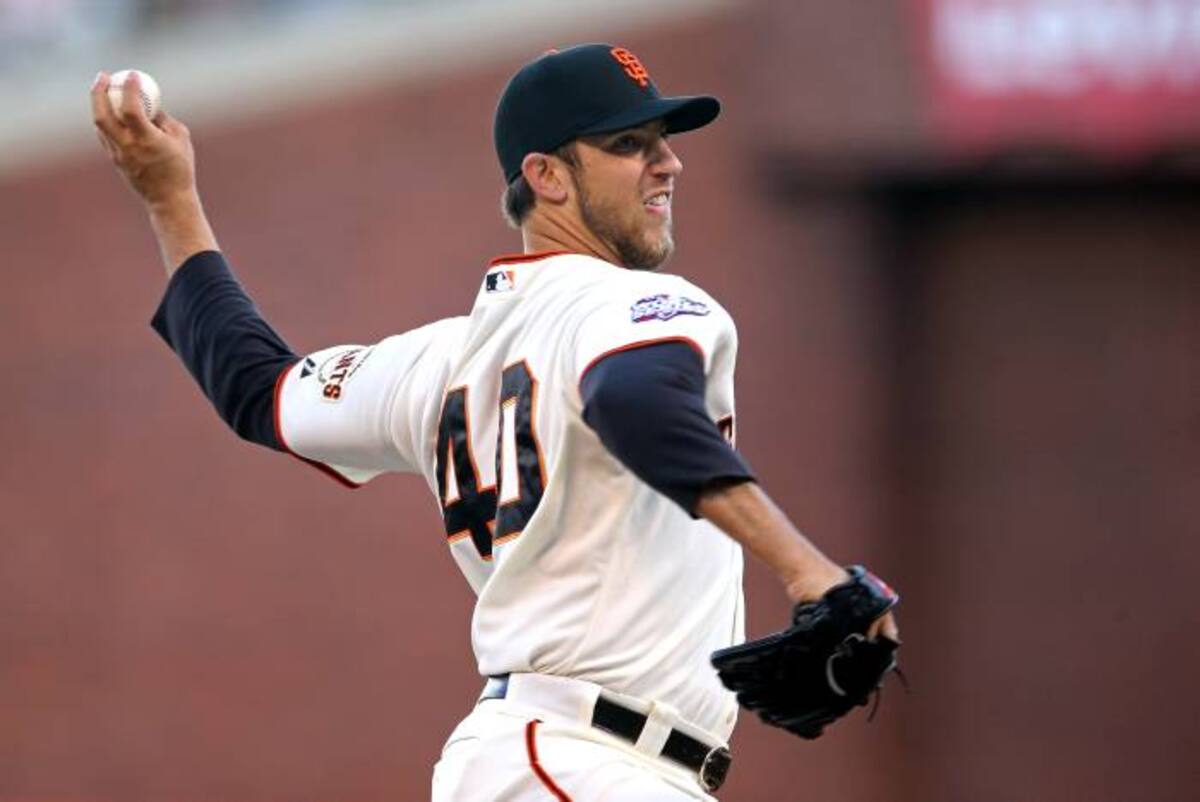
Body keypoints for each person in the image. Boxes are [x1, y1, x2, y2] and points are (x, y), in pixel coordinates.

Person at [91, 43, 898, 801]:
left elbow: (256, 387)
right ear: (545, 175)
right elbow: (630, 399)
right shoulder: (638, 305)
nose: (668, 161)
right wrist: (806, 568)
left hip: (562, 760)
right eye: (628, 143)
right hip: (584, 763)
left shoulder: (441, 360)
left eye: (664, 139)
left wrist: (172, 201)